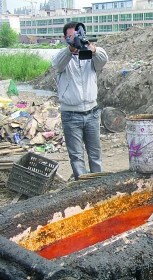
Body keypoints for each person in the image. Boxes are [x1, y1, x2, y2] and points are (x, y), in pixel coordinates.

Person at [52, 22, 109, 180]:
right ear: (65, 38)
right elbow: (57, 64)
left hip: (92, 113)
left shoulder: (90, 56)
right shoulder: (62, 57)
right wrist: (71, 49)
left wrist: (94, 49)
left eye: (78, 35)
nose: (76, 39)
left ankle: (98, 183)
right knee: (77, 156)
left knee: (95, 154)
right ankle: (82, 188)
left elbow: (104, 60)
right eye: (71, 36)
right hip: (71, 115)